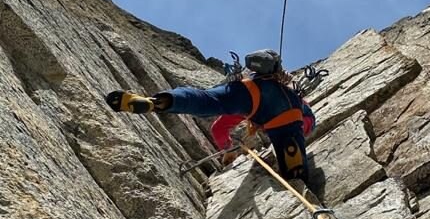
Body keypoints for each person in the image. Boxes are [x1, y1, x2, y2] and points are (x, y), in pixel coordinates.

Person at [106, 49, 316, 183]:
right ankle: (292, 154)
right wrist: (302, 129)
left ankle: (159, 101)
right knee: (296, 127)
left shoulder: (249, 86)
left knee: (205, 100)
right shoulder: (287, 89)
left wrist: (227, 150)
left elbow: (218, 128)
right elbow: (309, 120)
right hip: (289, 109)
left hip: (248, 93)